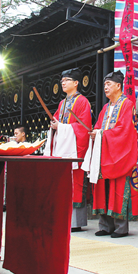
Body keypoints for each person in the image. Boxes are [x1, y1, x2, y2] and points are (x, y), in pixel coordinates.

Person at [83, 71, 138, 238]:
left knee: (118, 189)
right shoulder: (105, 108)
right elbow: (99, 126)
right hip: (104, 154)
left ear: (118, 86)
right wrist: (95, 134)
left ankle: (120, 227)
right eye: (105, 84)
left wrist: (101, 134)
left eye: (108, 84)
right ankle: (105, 225)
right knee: (103, 188)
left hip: (120, 154)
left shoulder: (127, 105)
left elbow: (125, 131)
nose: (105, 87)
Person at [46, 68, 92, 232]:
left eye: (66, 80)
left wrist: (62, 127)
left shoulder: (82, 102)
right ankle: (63, 218)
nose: (63, 83)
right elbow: (58, 121)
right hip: (63, 150)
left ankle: (76, 222)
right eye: (62, 80)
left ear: (75, 83)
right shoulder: (62, 103)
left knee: (76, 184)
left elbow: (84, 128)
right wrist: (55, 126)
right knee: (63, 185)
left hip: (75, 150)